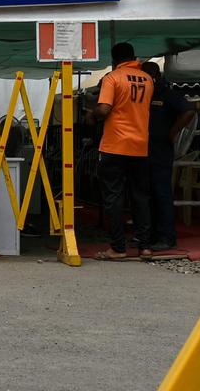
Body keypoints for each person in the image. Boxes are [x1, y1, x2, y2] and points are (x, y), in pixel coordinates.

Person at [85, 42, 154, 260]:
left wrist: (91, 114)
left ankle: (118, 247)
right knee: (140, 197)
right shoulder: (148, 79)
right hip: (140, 146)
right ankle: (145, 247)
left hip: (115, 145)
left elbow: (104, 109)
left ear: (114, 60)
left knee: (113, 198)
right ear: (133, 56)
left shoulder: (112, 78)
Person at [140, 61, 196, 252]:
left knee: (161, 194)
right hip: (142, 151)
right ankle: (149, 236)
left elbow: (189, 110)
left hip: (160, 152)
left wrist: (173, 132)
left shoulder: (168, 94)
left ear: (155, 77)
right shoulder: (145, 94)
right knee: (147, 196)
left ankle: (166, 237)